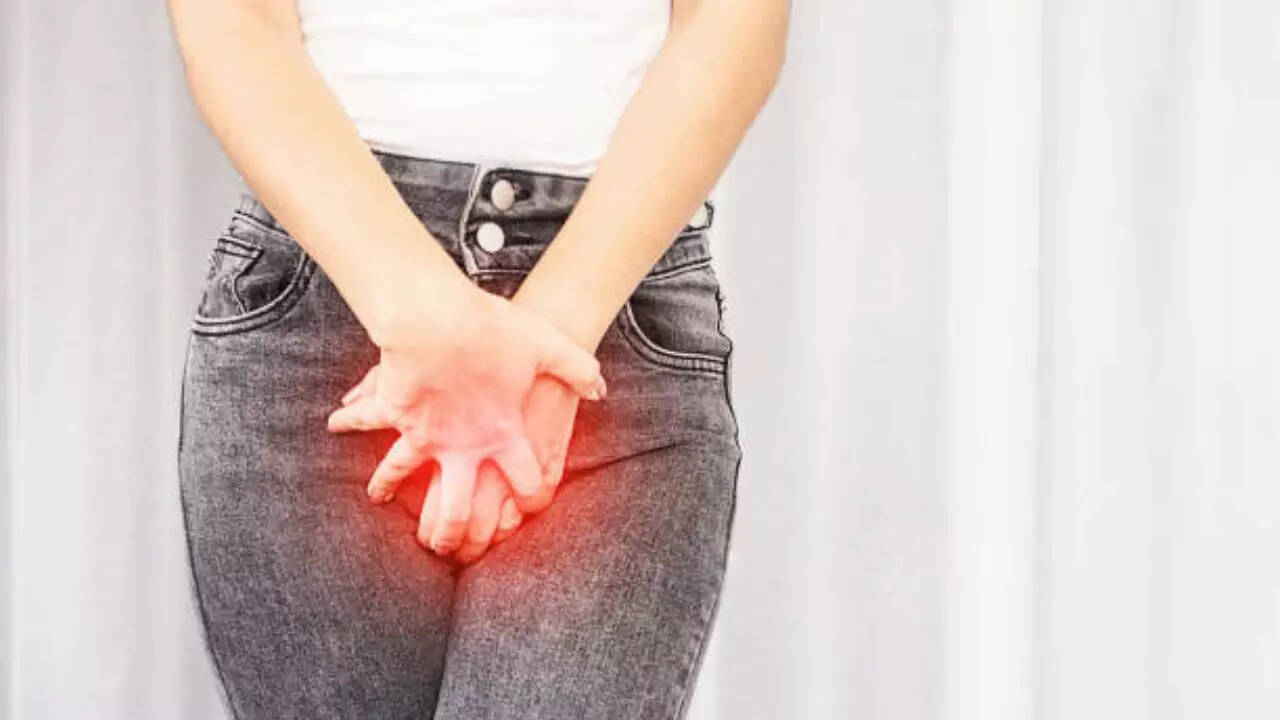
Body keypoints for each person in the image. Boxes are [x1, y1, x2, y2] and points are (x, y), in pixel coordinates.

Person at [167, 0, 787, 717]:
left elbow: (736, 19)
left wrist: (548, 343)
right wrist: (425, 319)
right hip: (325, 302)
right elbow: (233, 21)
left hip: (609, 312)